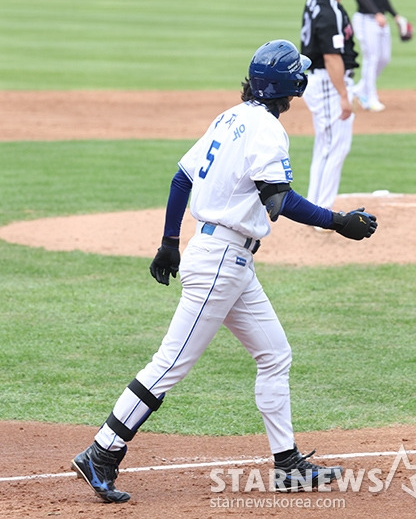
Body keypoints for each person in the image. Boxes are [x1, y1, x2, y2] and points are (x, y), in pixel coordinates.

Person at [70, 39, 377, 504]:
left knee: (275, 354)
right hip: (220, 264)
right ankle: (103, 450)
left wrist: (170, 241)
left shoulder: (229, 118)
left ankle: (287, 463)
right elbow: (277, 200)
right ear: (286, 85)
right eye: (297, 73)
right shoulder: (267, 131)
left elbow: (182, 176)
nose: (302, 77)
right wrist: (338, 222)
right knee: (170, 364)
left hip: (225, 259)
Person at [300, 0, 359, 211]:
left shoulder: (315, 0)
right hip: (328, 82)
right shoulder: (328, 10)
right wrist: (343, 94)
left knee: (326, 146)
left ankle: (314, 207)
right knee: (335, 146)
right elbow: (331, 57)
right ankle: (321, 211)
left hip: (323, 80)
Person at [352, 0, 404, 112]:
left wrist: (395, 15)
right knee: (371, 58)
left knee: (385, 58)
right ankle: (371, 99)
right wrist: (376, 13)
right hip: (366, 19)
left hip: (380, 19)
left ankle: (360, 90)